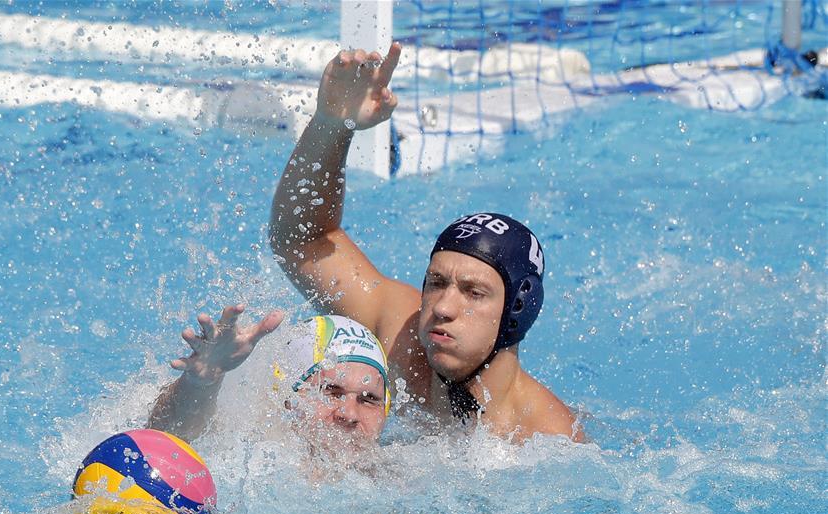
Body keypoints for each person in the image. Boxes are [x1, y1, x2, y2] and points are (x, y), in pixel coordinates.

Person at [268, 43, 583, 443]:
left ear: (517, 311)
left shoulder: (546, 440)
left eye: (474, 292)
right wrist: (332, 124)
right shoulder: (402, 335)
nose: (442, 308)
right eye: (436, 282)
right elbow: (302, 239)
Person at [147, 305, 391, 444]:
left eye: (368, 399)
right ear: (286, 399)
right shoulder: (250, 451)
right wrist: (202, 384)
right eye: (330, 391)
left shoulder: (397, 480)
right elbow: (168, 439)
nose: (349, 414)